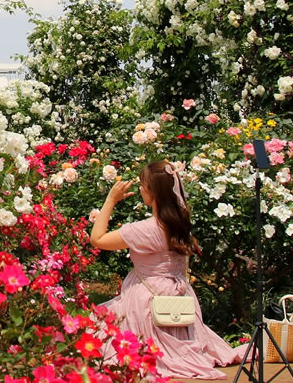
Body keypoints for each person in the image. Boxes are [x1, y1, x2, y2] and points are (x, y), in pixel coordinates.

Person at [90, 160, 248, 379]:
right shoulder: (180, 223)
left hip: (146, 298)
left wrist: (110, 200)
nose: (141, 189)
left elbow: (97, 239)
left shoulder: (145, 229)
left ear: (152, 192)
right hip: (179, 294)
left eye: (143, 186)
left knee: (98, 324)